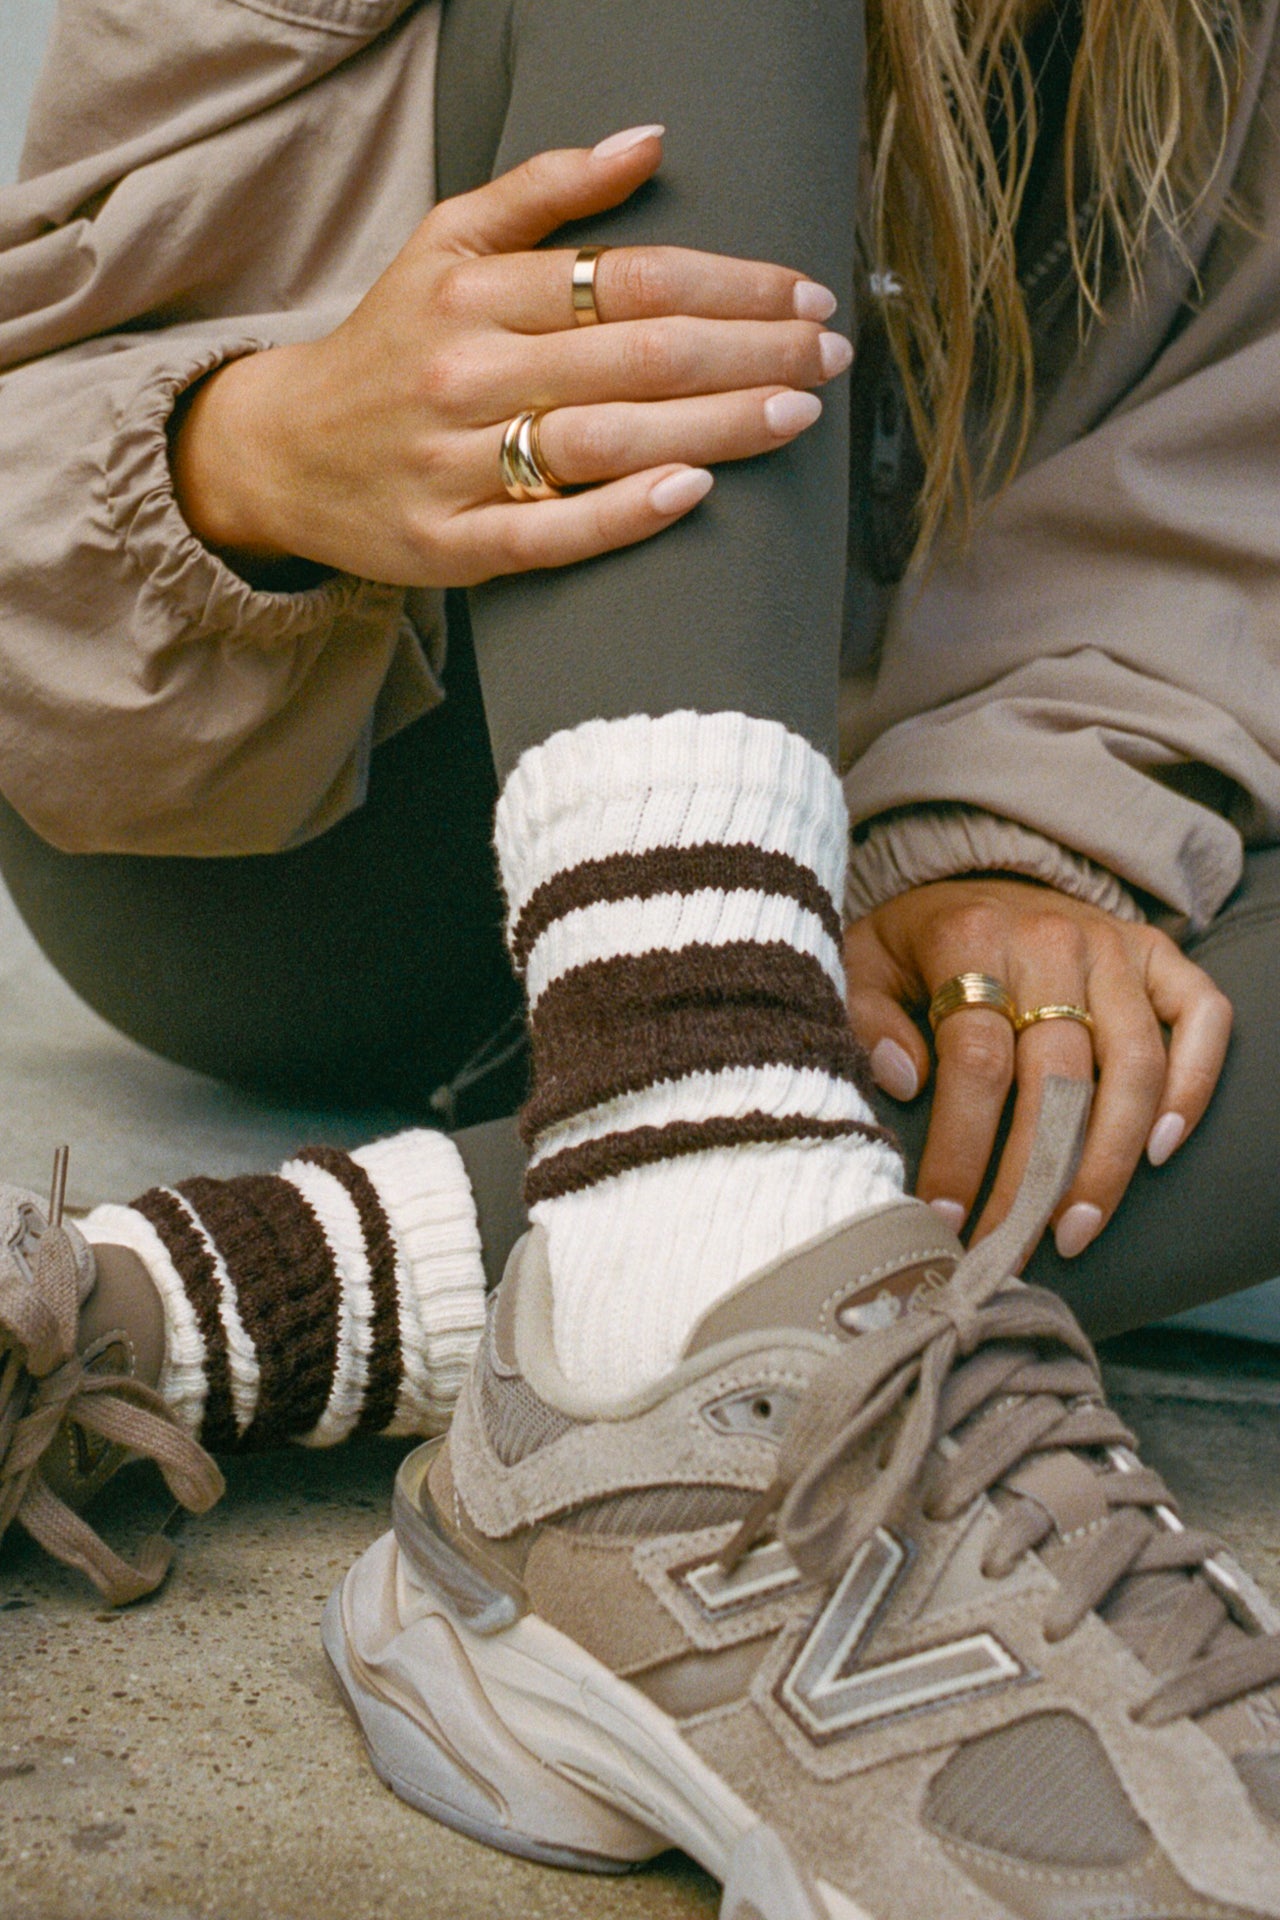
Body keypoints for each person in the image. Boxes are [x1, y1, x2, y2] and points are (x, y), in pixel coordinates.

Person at [2, 1, 1280, 1911]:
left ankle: (226, 1315)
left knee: (1070, 1020)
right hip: (312, 799)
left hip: (855, 905)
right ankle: (688, 1248)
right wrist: (259, 453)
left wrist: (1004, 834)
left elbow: (1219, 495)